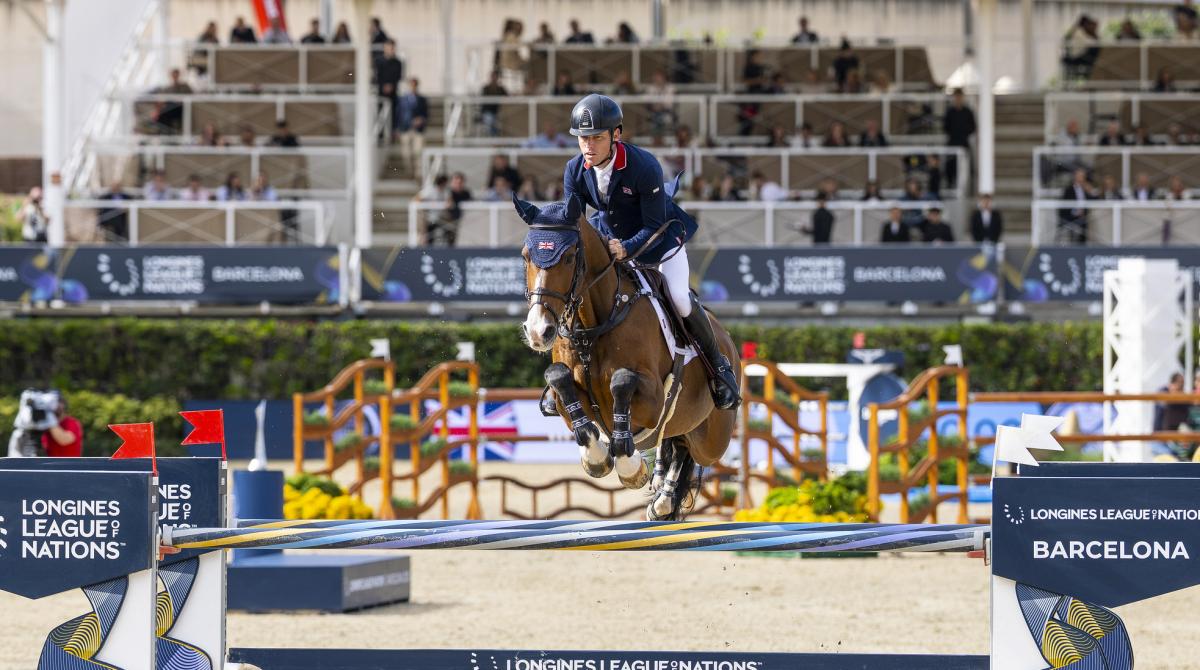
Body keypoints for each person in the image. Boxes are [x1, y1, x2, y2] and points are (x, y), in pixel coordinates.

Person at [558, 93, 739, 409]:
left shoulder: (643, 166)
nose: (588, 146)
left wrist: (624, 248)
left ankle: (719, 370)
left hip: (658, 243)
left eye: (597, 138)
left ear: (616, 135)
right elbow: (574, 221)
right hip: (611, 243)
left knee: (680, 299)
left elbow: (654, 224)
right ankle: (560, 381)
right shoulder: (575, 170)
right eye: (583, 138)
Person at [943, 88, 976, 188]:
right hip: (952, 142)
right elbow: (945, 127)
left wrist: (963, 132)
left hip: (963, 142)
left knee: (967, 166)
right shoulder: (950, 112)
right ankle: (950, 185)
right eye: (956, 97)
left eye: (959, 97)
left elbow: (973, 127)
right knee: (950, 165)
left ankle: (968, 187)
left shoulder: (968, 112)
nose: (958, 99)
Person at [396, 78, 429, 177]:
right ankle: (409, 172)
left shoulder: (422, 99)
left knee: (418, 152)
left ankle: (418, 173)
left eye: (414, 85)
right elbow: (398, 114)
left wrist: (421, 119)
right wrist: (397, 128)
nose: (413, 87)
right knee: (406, 153)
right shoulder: (402, 99)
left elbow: (426, 114)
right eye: (411, 85)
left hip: (418, 130)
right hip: (405, 129)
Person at [1057, 168, 1093, 244]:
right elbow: (1064, 206)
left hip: (1084, 217)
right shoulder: (1068, 190)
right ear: (1075, 177)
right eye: (1079, 176)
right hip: (1071, 216)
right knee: (1074, 226)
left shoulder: (1085, 189)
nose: (1081, 178)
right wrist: (1075, 211)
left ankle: (1083, 248)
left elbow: (1094, 200)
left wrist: (1091, 191)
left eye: (1083, 176)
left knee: (1086, 225)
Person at [151, 68, 192, 135]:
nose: (175, 77)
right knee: (162, 114)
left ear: (179, 75)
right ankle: (166, 133)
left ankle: (168, 133)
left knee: (163, 114)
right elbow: (163, 100)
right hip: (170, 108)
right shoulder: (168, 88)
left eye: (176, 75)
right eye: (173, 75)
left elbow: (191, 96)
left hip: (180, 108)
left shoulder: (185, 86)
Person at [376, 41, 404, 134]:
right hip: (381, 92)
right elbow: (377, 76)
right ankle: (380, 134)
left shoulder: (398, 62)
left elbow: (399, 76)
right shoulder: (378, 61)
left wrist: (391, 86)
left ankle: (392, 132)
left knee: (393, 113)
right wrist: (383, 86)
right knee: (380, 113)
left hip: (393, 92)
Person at [479, 71, 508, 137]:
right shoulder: (485, 88)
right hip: (488, 112)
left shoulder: (501, 89)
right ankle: (494, 138)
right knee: (491, 120)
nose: (494, 78)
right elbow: (484, 102)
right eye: (493, 77)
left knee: (503, 121)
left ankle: (497, 138)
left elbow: (507, 98)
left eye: (495, 77)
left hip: (500, 112)